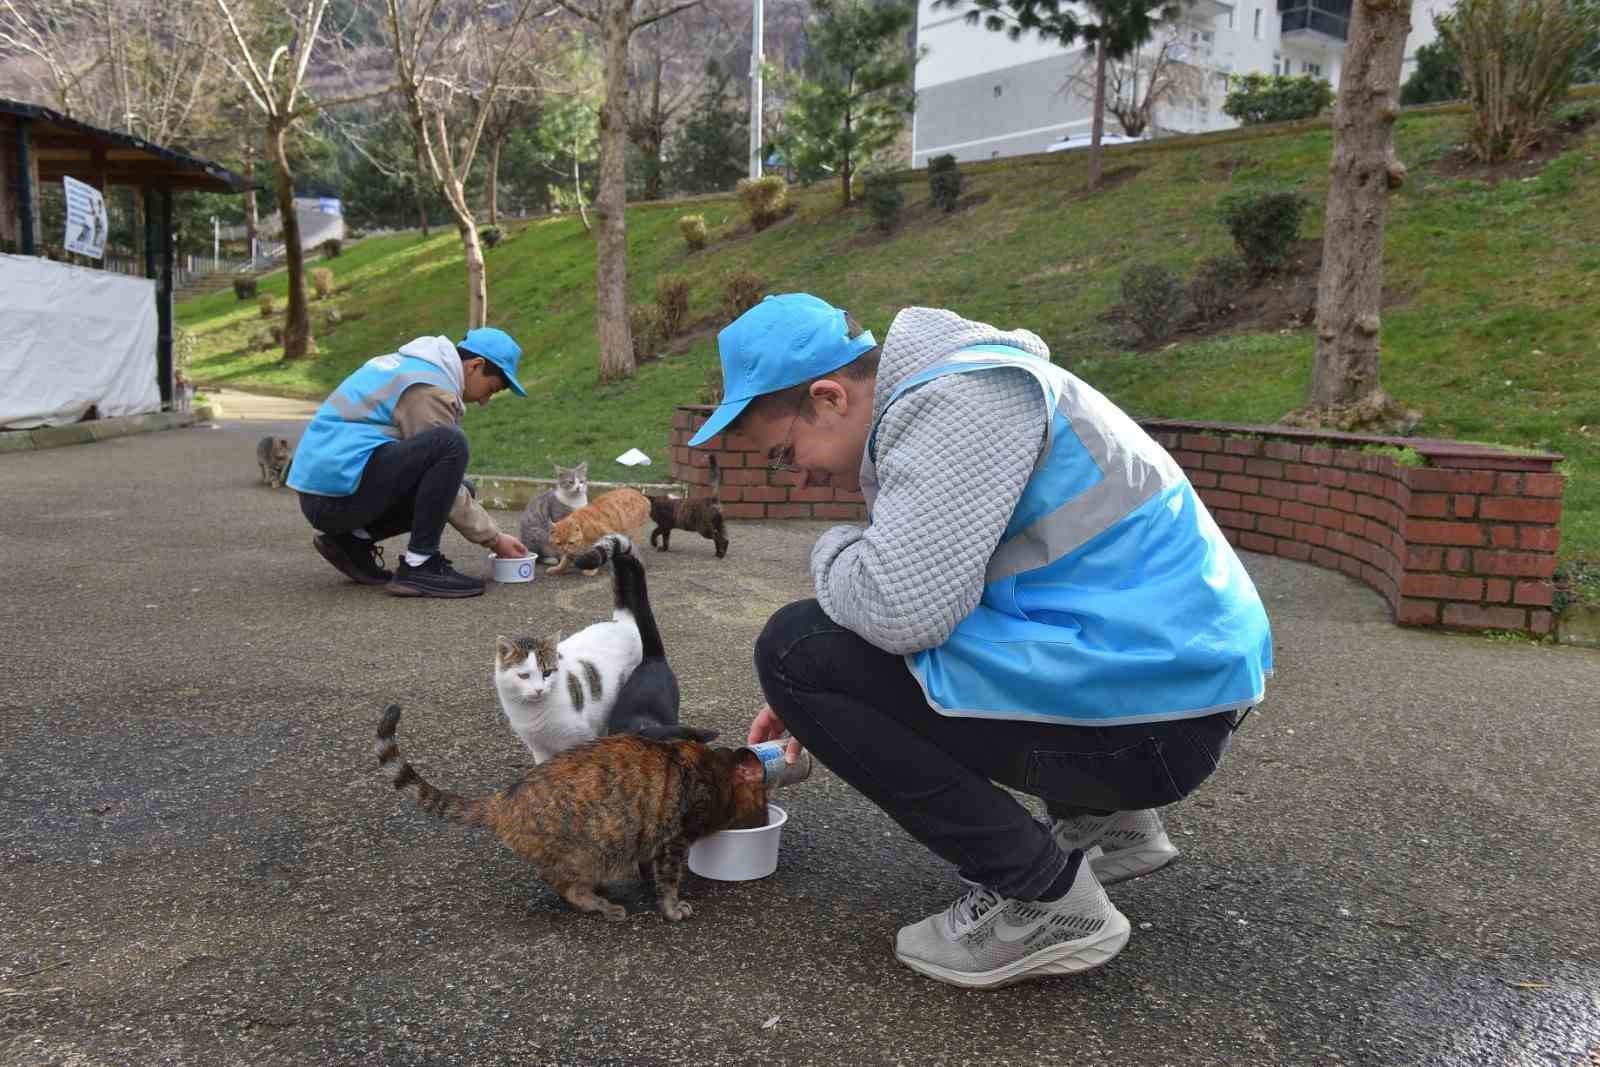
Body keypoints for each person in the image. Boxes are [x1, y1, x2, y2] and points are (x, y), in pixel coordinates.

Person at [690, 294, 1273, 990]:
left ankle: (1046, 899)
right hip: (1162, 698)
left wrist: (835, 549)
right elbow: (931, 599)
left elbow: (901, 609)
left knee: (794, 649)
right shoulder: (965, 385)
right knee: (843, 642)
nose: (798, 475)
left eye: (786, 454)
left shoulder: (956, 404)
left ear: (829, 396)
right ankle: (1107, 822)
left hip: (1153, 729)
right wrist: (848, 690)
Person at [289, 328, 531, 599]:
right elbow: (442, 463)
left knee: (462, 486)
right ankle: (421, 564)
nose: (485, 401)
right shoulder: (428, 389)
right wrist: (495, 539)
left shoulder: (416, 366)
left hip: (328, 491)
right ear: (476, 366)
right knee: (450, 444)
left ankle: (351, 541)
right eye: (491, 389)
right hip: (334, 497)